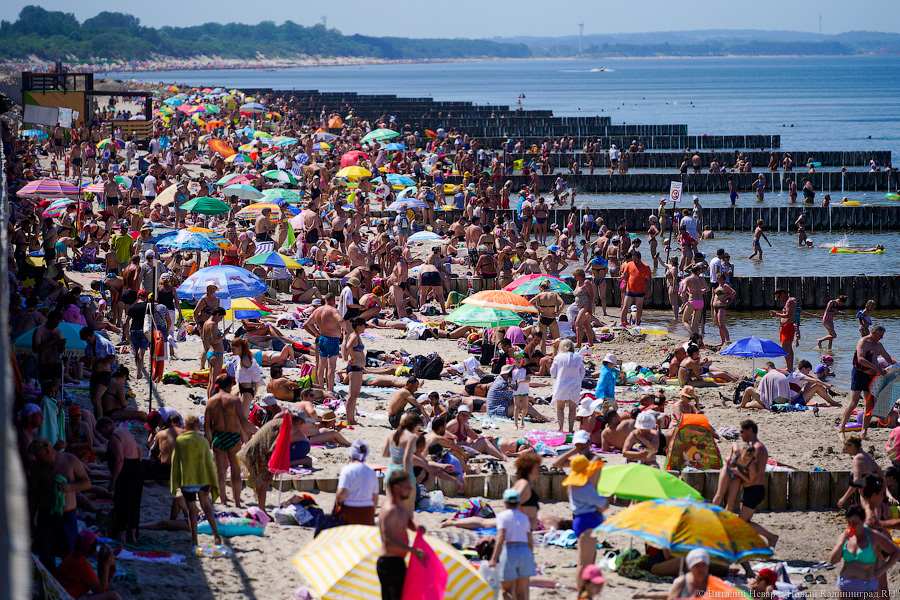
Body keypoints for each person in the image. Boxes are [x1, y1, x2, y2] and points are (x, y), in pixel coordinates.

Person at [205, 374, 256, 507]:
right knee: (235, 470)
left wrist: (209, 442)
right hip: (233, 437)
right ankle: (237, 501)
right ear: (229, 386)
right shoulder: (234, 400)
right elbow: (243, 420)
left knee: (220, 470)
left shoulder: (211, 401)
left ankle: (223, 500)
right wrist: (248, 436)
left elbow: (206, 426)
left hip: (218, 436)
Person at [170, 414, 221, 547]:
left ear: (185, 426)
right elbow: (209, 462)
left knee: (192, 509)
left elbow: (176, 462)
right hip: (203, 478)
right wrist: (211, 480)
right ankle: (216, 535)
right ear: (199, 427)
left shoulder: (181, 440)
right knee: (206, 506)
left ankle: (195, 541)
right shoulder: (203, 441)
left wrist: (175, 481)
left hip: (188, 479)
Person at [828, 504, 900, 597]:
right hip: (845, 585)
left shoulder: (873, 536)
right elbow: (833, 561)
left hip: (867, 586)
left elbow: (896, 552)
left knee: (883, 587)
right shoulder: (845, 536)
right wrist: (841, 543)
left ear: (863, 521)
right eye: (849, 523)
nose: (851, 526)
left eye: (855, 523)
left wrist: (881, 570)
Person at [841, 325, 898, 440]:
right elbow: (861, 359)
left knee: (869, 405)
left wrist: (898, 364)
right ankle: (841, 430)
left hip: (871, 377)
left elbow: (888, 358)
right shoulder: (863, 341)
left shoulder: (878, 345)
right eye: (880, 335)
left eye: (882, 336)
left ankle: (864, 432)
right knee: (854, 402)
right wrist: (877, 368)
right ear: (873, 332)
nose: (881, 338)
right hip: (859, 374)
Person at [377, 470, 426, 600]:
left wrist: (417, 525)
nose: (411, 489)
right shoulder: (390, 510)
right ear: (397, 487)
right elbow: (388, 542)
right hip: (389, 564)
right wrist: (413, 550)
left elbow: (408, 521)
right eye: (408, 487)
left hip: (398, 562)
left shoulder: (399, 505)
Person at [96, 416, 143, 544]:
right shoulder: (124, 431)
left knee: (122, 503)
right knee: (134, 503)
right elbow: (140, 450)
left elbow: (120, 459)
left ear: (106, 427)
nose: (103, 436)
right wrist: (137, 467)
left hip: (127, 470)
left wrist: (113, 481)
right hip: (137, 468)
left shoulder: (114, 436)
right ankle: (132, 536)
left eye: (102, 432)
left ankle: (121, 535)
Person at [564, 455, 607, 588]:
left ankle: (584, 589)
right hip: (587, 523)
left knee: (587, 560)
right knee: (585, 562)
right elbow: (604, 505)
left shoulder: (573, 486)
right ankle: (581, 591)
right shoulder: (585, 488)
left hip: (580, 520)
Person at [489, 488, 535, 600]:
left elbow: (501, 537)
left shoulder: (502, 516)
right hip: (525, 551)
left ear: (505, 502)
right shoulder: (524, 517)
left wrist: (494, 558)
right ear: (519, 502)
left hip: (510, 551)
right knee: (521, 594)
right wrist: (531, 556)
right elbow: (530, 539)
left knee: (506, 591)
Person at [55, 530, 123, 600]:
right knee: (113, 595)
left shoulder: (73, 555)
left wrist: (109, 553)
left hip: (61, 593)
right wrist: (106, 565)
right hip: (69, 597)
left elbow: (89, 552)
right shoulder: (83, 566)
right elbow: (101, 589)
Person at [303, 293, 343, 392]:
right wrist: (347, 330)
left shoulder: (318, 310)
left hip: (322, 338)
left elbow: (306, 324)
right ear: (333, 301)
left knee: (321, 365)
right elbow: (341, 321)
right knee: (331, 366)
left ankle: (321, 388)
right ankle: (331, 389)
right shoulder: (333, 310)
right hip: (332, 339)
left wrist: (316, 333)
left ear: (325, 300)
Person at [335, 440, 379, 525]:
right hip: (367, 511)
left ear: (351, 455)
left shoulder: (347, 470)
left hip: (350, 511)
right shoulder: (372, 473)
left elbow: (341, 494)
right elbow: (375, 500)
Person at [385, 413, 422, 513]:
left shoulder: (393, 434)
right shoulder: (411, 437)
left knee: (392, 509)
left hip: (391, 471)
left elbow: (386, 453)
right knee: (408, 511)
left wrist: (397, 453)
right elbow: (406, 458)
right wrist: (407, 479)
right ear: (414, 425)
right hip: (403, 471)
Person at [837, 436, 885, 508]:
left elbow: (857, 481)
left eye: (846, 448)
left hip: (866, 493)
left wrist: (844, 498)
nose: (846, 451)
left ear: (852, 446)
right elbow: (880, 473)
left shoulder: (857, 458)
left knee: (868, 514)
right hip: (876, 491)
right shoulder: (866, 455)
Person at [80, 326, 117, 417]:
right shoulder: (88, 347)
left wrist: (96, 360)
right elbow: (89, 365)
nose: (87, 342)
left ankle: (100, 419)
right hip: (95, 374)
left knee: (96, 398)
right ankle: (99, 419)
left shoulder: (104, 343)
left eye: (88, 339)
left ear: (92, 335)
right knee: (95, 400)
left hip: (104, 374)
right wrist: (85, 360)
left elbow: (112, 360)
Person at [552, 340, 587, 433]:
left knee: (560, 408)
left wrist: (556, 377)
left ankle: (560, 428)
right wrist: (578, 380)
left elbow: (553, 372)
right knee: (572, 408)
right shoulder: (578, 357)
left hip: (561, 383)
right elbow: (582, 372)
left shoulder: (558, 357)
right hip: (575, 384)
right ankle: (571, 429)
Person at [202, 307, 229, 398]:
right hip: (216, 354)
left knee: (210, 380)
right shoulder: (213, 324)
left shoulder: (206, 323)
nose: (220, 320)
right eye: (221, 318)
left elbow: (205, 338)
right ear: (217, 314)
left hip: (210, 352)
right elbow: (215, 340)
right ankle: (211, 401)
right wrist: (224, 334)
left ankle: (209, 399)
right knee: (214, 381)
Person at [620, 250, 652, 326]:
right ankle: (622, 323)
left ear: (639, 258)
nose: (633, 261)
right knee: (625, 306)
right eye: (633, 259)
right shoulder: (629, 264)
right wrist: (621, 278)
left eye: (635, 259)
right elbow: (625, 275)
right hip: (629, 290)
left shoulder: (646, 267)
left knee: (639, 307)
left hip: (640, 291)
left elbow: (649, 279)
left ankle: (637, 324)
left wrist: (649, 290)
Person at [770, 289, 797, 371]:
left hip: (788, 326)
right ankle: (788, 366)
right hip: (785, 327)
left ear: (783, 294)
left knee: (787, 346)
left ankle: (790, 367)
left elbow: (788, 315)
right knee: (784, 346)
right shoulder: (789, 301)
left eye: (778, 297)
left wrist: (777, 314)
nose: (779, 299)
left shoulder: (789, 302)